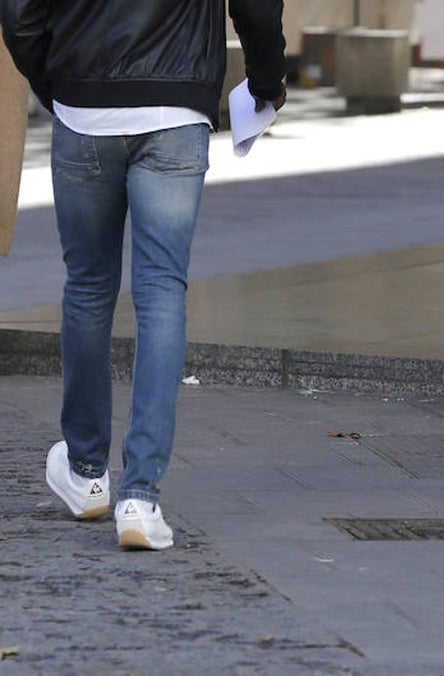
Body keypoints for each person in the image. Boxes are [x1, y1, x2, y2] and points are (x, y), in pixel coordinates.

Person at [1, 0, 287, 550]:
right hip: (175, 110)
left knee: (88, 287)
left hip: (84, 109)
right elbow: (255, 5)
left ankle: (86, 472)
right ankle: (140, 496)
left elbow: (20, 14)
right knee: (161, 290)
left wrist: (58, 83)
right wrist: (266, 81)